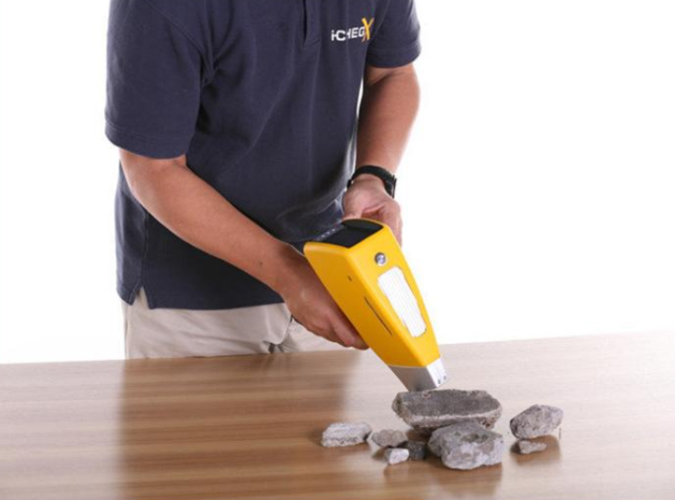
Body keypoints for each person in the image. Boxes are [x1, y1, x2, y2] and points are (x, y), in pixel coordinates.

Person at [105, 0, 421, 359]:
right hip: (190, 302)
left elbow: (392, 73)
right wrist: (289, 273)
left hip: (328, 272)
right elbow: (152, 169)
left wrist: (373, 176)